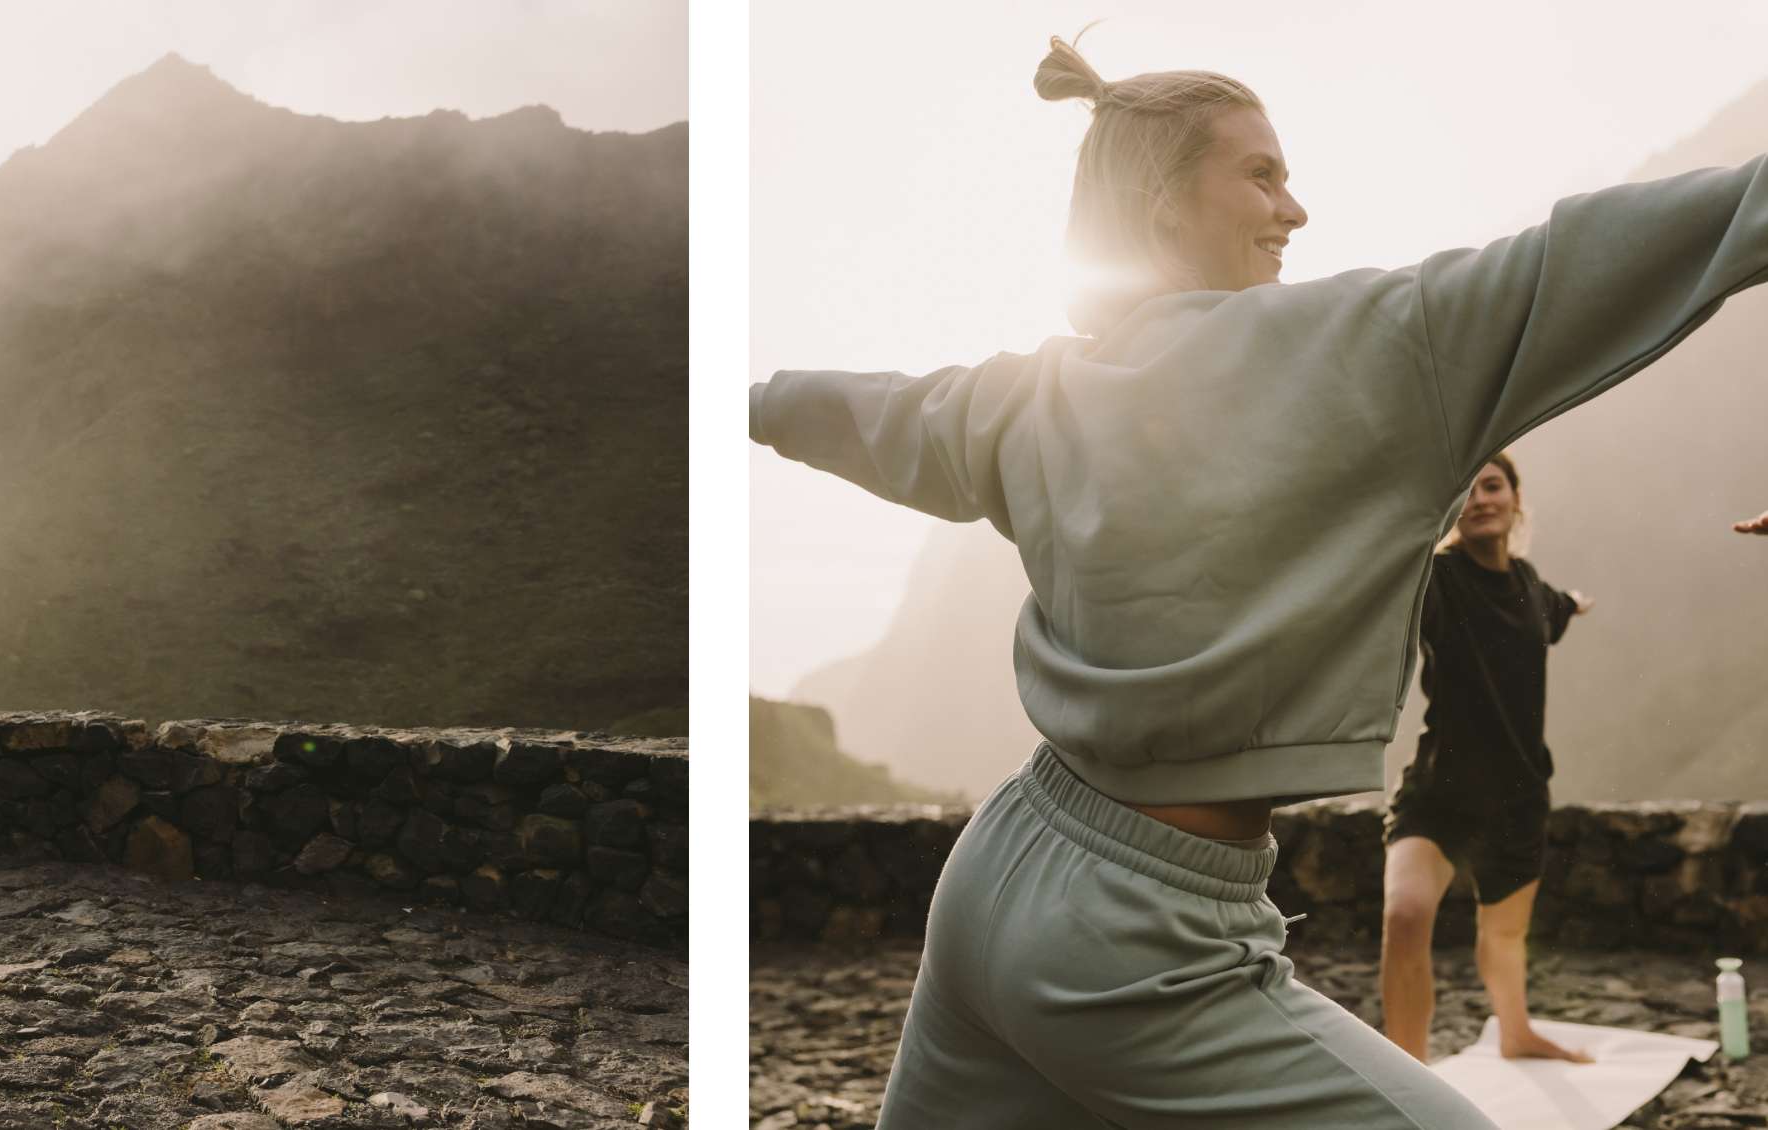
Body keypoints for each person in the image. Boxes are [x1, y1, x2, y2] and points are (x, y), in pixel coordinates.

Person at [752, 31, 1768, 1128]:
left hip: (1001, 867)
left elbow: (859, 411)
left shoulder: (1021, 397)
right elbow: (1609, 251)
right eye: (1262, 174)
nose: (1295, 209)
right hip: (1137, 943)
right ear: (1162, 207)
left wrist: (740, 400)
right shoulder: (1375, 346)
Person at [1379, 452, 1594, 1064]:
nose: (1480, 500)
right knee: (1406, 915)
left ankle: (1516, 1032)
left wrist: (1575, 603)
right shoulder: (1437, 580)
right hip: (1439, 789)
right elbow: (1395, 590)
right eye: (1466, 490)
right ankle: (1408, 1071)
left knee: (1505, 933)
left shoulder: (1530, 586)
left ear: (1515, 498)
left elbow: (1557, 608)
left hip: (1518, 793)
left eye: (1492, 486)